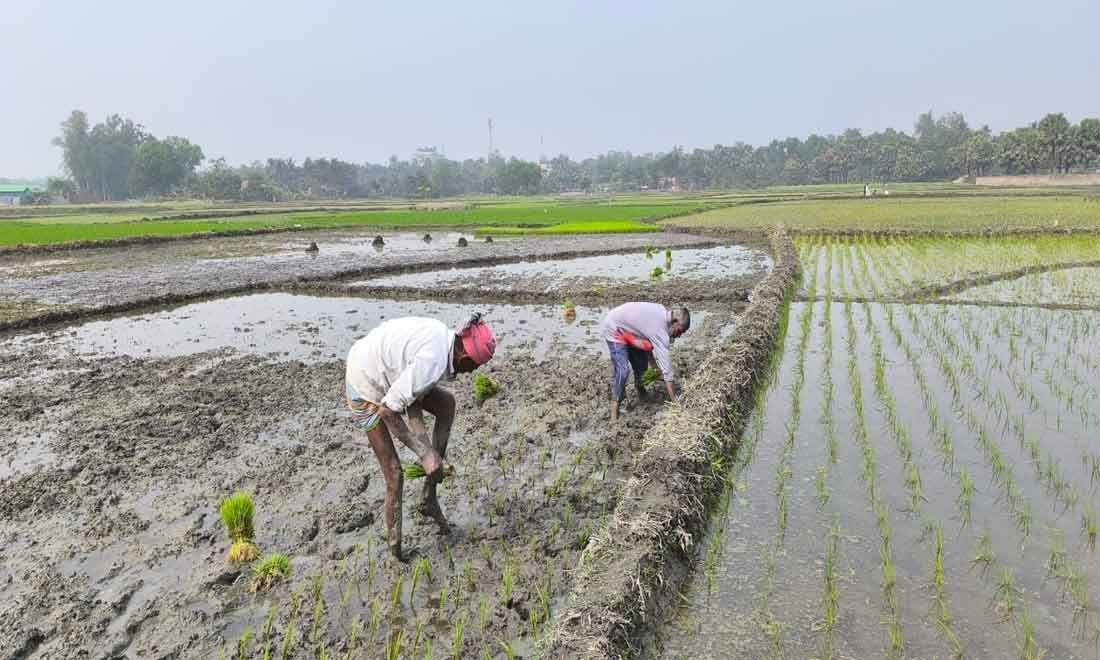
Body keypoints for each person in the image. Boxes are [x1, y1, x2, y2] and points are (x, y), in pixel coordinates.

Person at [345, 313, 496, 560]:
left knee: (446, 404)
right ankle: (396, 550)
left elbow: (411, 399)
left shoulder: (443, 342)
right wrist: (425, 453)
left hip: (386, 373)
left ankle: (428, 497)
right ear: (464, 356)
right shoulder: (433, 361)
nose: (471, 372)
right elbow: (388, 410)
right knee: (394, 473)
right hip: (364, 383)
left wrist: (428, 453)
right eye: (474, 366)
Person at [600, 302, 691, 421]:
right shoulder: (660, 331)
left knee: (641, 364)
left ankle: (641, 390)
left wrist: (654, 366)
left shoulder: (660, 310)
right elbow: (667, 373)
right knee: (623, 371)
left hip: (630, 331)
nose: (679, 336)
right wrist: (675, 402)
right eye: (680, 331)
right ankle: (614, 407)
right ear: (674, 322)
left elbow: (648, 338)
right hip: (614, 328)